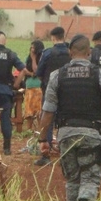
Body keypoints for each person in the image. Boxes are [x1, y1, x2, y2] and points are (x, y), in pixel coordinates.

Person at [37, 34, 101, 201]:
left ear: (70, 52)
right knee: (91, 178)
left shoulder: (57, 76)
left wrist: (42, 139)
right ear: (89, 53)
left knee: (72, 179)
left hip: (66, 135)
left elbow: (47, 112)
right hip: (92, 134)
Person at [34, 26, 71, 166]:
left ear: (53, 38)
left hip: (50, 91)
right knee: (65, 122)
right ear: (63, 36)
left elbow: (39, 72)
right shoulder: (70, 53)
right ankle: (66, 154)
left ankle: (46, 156)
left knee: (47, 122)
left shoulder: (48, 53)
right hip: (67, 92)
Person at [23, 40, 44, 131]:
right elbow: (25, 69)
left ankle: (40, 129)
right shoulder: (28, 58)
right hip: (29, 86)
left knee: (39, 110)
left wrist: (34, 58)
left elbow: (36, 71)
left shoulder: (42, 58)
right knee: (29, 109)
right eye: (31, 47)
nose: (31, 49)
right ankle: (29, 129)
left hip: (38, 87)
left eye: (33, 47)